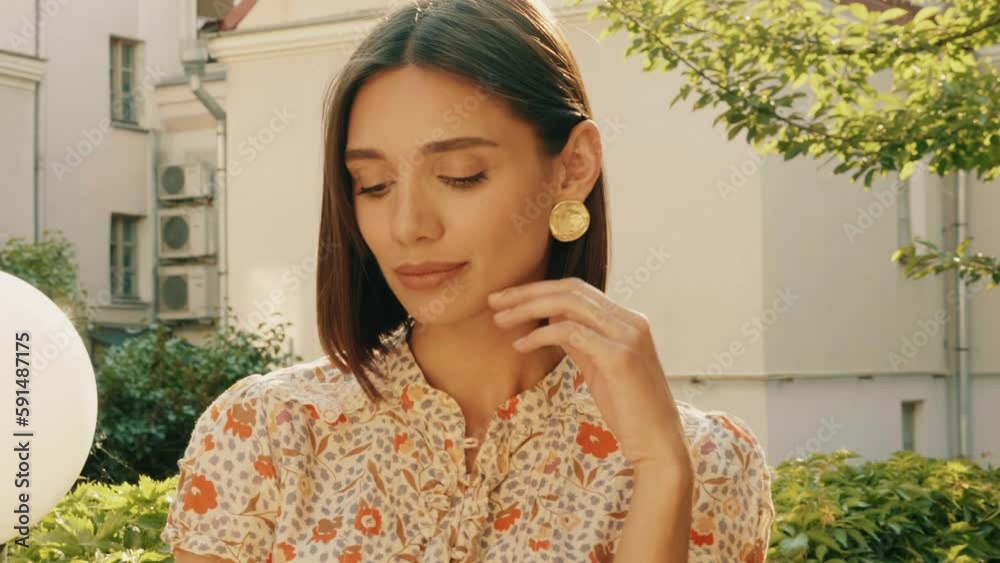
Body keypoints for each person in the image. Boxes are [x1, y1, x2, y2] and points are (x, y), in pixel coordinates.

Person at [161, 0, 775, 561]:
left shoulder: (708, 463)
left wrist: (661, 470)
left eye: (460, 175)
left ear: (573, 167)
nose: (408, 226)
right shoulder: (266, 433)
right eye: (373, 185)